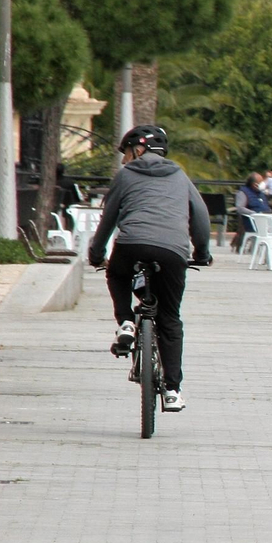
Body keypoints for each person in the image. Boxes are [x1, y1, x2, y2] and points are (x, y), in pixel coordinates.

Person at [87, 125, 211, 413]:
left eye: (126, 153)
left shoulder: (126, 175)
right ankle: (172, 390)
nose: (124, 160)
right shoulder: (180, 176)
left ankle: (126, 323)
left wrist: (97, 254)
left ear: (139, 149)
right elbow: (201, 217)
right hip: (172, 252)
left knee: (117, 273)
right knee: (170, 319)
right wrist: (201, 254)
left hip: (130, 245)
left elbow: (108, 219)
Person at [231, 172, 272, 252]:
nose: (263, 183)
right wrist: (254, 213)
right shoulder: (243, 193)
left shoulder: (261, 193)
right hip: (252, 221)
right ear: (254, 184)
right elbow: (240, 208)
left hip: (265, 218)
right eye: (261, 182)